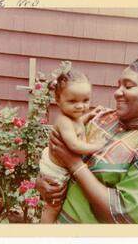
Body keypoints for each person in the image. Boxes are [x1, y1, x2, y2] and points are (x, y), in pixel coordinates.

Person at [36, 52, 138, 224]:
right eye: (118, 85)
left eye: (128, 86)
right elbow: (59, 154)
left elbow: (123, 215)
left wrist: (74, 164)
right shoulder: (101, 117)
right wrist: (43, 182)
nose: (117, 93)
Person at [39, 62, 104, 223]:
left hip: (59, 168)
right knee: (53, 205)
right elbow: (74, 145)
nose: (81, 106)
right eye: (73, 101)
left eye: (86, 100)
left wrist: (89, 115)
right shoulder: (64, 121)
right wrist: (96, 146)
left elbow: (78, 123)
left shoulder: (73, 118)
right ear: (58, 100)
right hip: (55, 172)